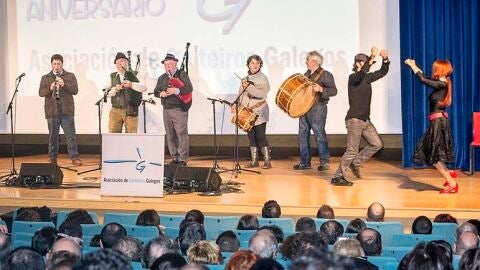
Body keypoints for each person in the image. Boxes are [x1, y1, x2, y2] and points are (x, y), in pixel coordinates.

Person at [331, 47, 390, 186]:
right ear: (358, 63)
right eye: (364, 62)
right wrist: (371, 57)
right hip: (355, 120)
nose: (367, 65)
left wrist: (385, 59)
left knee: (377, 144)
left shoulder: (367, 78)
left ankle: (355, 163)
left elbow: (383, 72)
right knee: (351, 150)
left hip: (364, 120)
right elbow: (361, 73)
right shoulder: (353, 78)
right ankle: (337, 176)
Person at [405, 58, 458, 194]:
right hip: (438, 122)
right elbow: (426, 78)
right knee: (433, 152)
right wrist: (416, 67)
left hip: (438, 123)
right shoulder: (442, 83)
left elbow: (423, 80)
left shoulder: (442, 83)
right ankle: (449, 173)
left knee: (433, 156)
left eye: (435, 67)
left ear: (439, 69)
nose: (433, 69)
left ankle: (452, 183)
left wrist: (412, 65)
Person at [294, 51, 337, 171]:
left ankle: (325, 162)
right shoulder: (306, 74)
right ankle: (305, 162)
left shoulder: (325, 74)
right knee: (302, 136)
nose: (306, 61)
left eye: (307, 59)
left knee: (319, 134)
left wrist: (321, 89)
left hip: (318, 108)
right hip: (304, 108)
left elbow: (334, 91)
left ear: (314, 61)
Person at [38, 54, 82, 166]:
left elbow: (75, 90)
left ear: (62, 64)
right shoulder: (46, 77)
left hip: (66, 110)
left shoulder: (70, 76)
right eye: (54, 64)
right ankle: (52, 158)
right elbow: (41, 93)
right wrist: (50, 88)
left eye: (59, 64)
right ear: (51, 65)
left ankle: (74, 157)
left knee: (70, 135)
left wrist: (64, 84)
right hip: (52, 111)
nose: (56, 66)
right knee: (53, 136)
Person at [232, 54, 272, 169]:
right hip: (247, 113)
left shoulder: (263, 78)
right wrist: (236, 105)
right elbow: (241, 94)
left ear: (260, 65)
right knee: (251, 136)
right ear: (248, 65)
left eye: (257, 63)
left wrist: (248, 87)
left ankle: (267, 161)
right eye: (252, 63)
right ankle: (254, 161)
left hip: (259, 111)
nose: (255, 65)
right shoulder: (245, 79)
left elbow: (261, 94)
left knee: (260, 135)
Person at [154, 53, 193, 166]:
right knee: (170, 134)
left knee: (181, 134)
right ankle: (175, 157)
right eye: (166, 64)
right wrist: (160, 93)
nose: (168, 66)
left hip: (179, 108)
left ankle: (183, 158)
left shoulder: (182, 74)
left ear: (175, 64)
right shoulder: (162, 77)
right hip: (166, 109)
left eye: (170, 64)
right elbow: (156, 91)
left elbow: (189, 88)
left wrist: (176, 91)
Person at [106, 52, 146, 133]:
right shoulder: (112, 76)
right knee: (113, 137)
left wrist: (131, 84)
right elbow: (106, 93)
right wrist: (114, 89)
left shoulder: (134, 74)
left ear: (127, 62)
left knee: (131, 137)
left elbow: (144, 87)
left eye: (122, 61)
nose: (119, 64)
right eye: (117, 62)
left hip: (130, 109)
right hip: (115, 110)